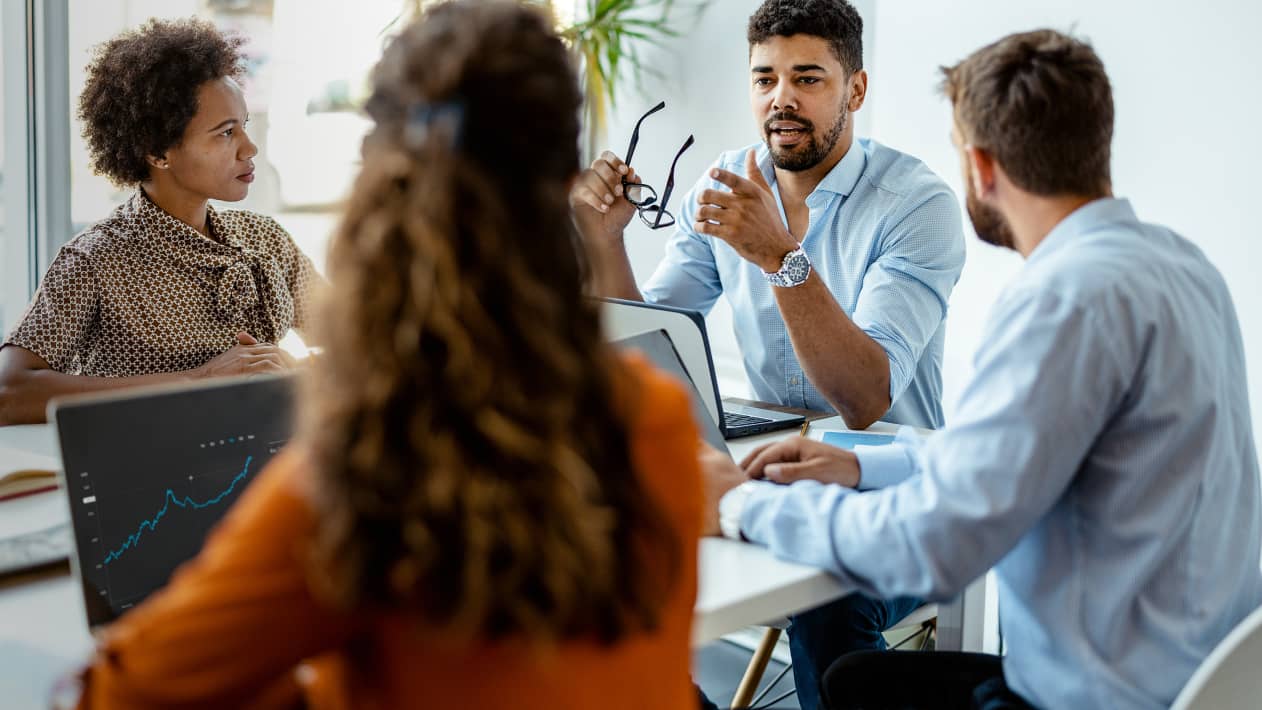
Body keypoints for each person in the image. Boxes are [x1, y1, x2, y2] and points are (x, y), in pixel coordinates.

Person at [72, 3, 703, 709]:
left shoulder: (359, 481)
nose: (248, 149)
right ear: (567, 183)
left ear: (380, 182)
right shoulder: (659, 419)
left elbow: (118, 694)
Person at [706, 29, 1262, 709]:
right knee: (851, 678)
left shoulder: (1064, 303)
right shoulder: (1182, 266)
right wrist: (860, 466)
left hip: (1081, 698)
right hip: (1198, 680)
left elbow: (933, 546)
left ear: (982, 166)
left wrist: (739, 504)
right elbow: (1007, 463)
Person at [571, 1, 964, 705]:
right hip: (770, 470)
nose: (780, 98)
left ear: (857, 90)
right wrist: (606, 242)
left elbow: (865, 399)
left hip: (896, 488)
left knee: (827, 607)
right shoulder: (725, 182)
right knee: (610, 550)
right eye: (764, 78)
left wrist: (781, 258)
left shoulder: (916, 204)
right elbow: (654, 341)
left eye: (808, 78)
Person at [0, 18, 319, 426]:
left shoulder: (265, 238)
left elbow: (358, 346)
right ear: (157, 152)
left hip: (261, 461)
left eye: (245, 126)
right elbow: (10, 392)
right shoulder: (96, 259)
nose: (250, 147)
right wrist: (196, 380)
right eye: (225, 133)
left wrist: (296, 373)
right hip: (151, 476)